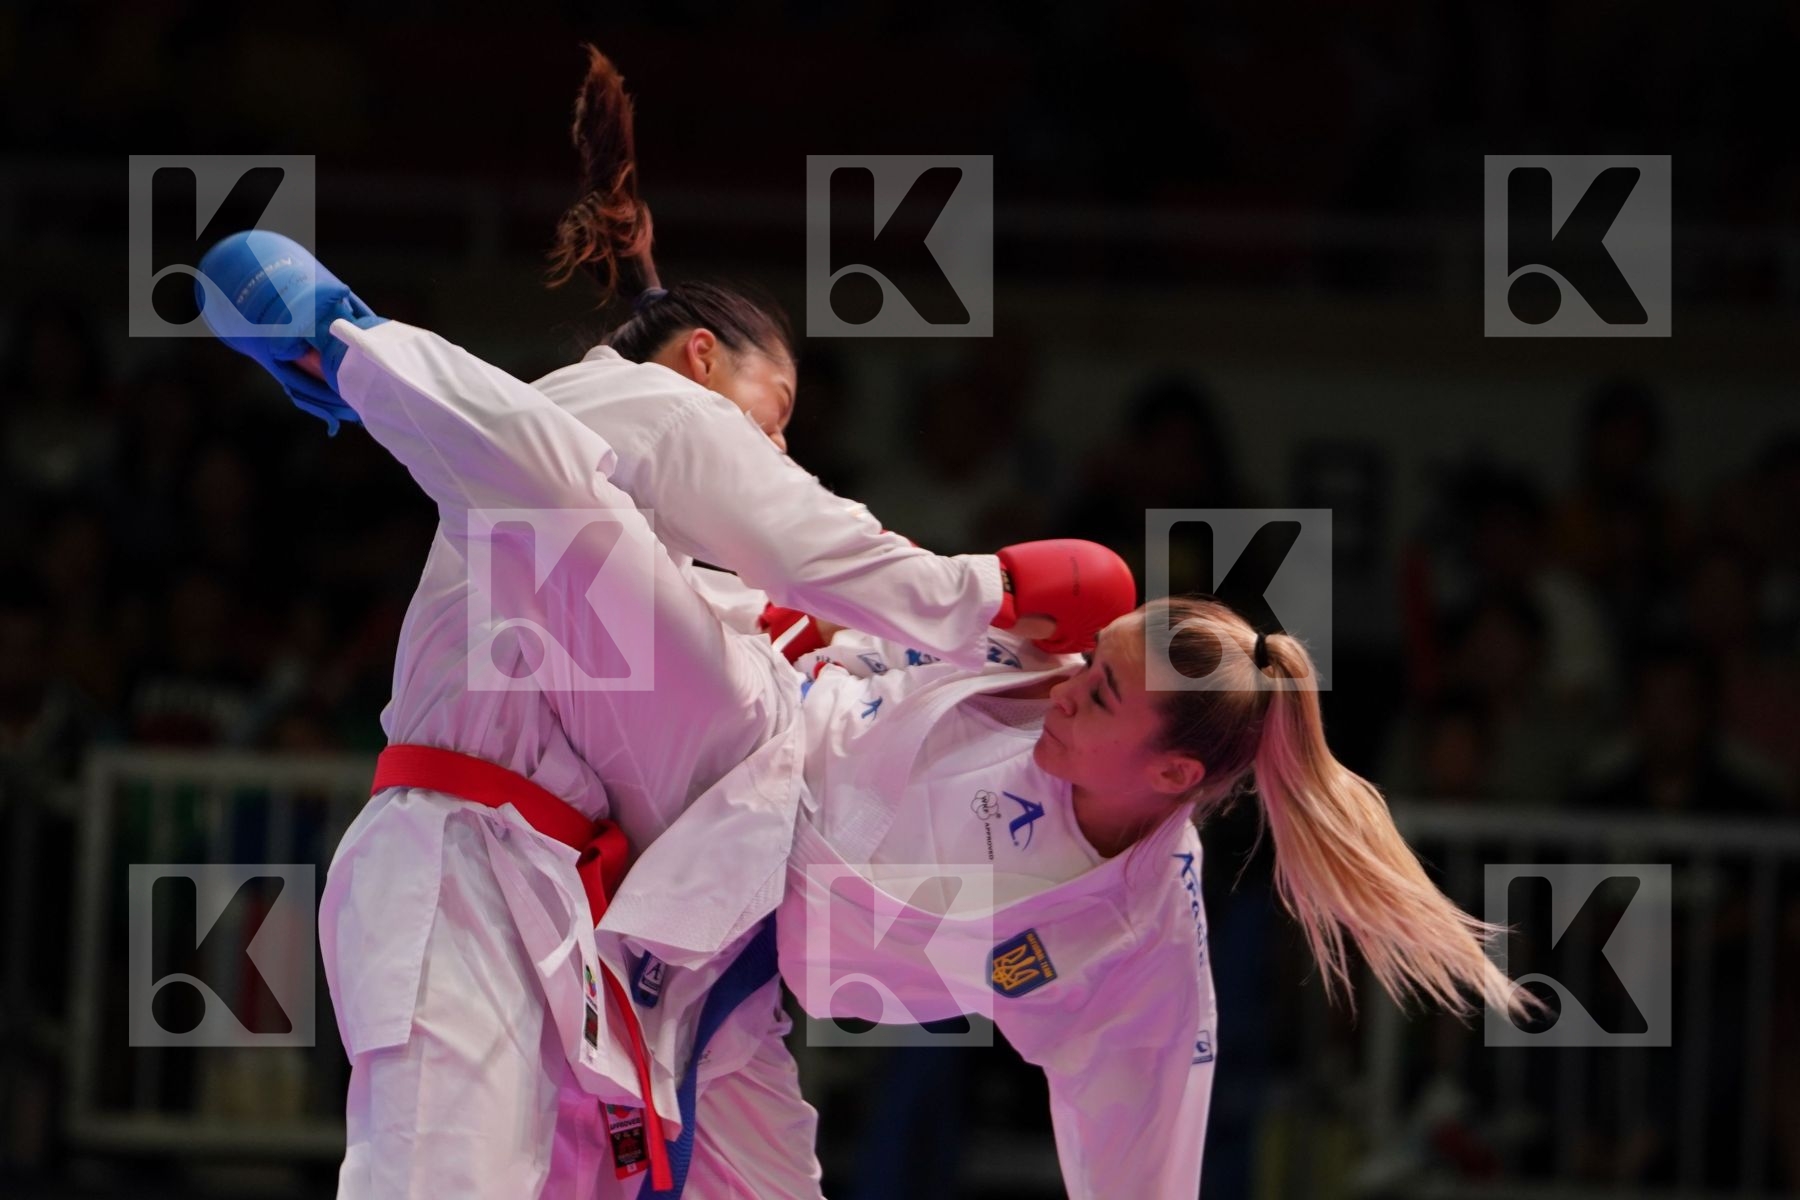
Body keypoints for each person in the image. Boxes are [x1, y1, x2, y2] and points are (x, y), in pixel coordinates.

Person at [196, 219, 1127, 1198]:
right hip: (458, 855)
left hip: (572, 896)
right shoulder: (637, 400)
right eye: (777, 412)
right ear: (700, 357)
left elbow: (779, 618)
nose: (777, 443)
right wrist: (991, 591)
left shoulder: (634, 515)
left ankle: (346, 340)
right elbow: (810, 544)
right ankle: (341, 332)